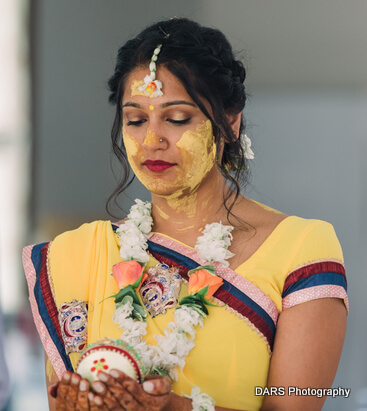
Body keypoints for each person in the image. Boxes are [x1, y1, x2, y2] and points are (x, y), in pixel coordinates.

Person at [23, 18, 348, 411]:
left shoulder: (300, 248)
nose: (152, 140)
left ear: (229, 121)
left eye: (177, 119)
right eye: (136, 120)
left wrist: (168, 408)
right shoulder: (74, 256)